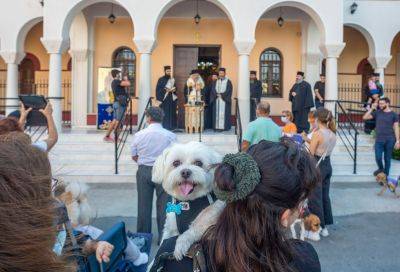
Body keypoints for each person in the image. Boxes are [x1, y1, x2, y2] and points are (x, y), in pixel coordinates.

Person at [152, 140, 321, 272]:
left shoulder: (170, 255)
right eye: (302, 203)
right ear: (285, 216)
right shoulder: (305, 259)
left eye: (197, 163)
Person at [0, 132, 113, 271]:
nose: (53, 197)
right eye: (46, 187)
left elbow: (69, 240)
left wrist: (93, 245)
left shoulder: (48, 218)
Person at [130, 107, 176, 244]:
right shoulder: (170, 135)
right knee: (164, 205)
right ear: (162, 118)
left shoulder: (139, 135)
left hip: (144, 170)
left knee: (143, 204)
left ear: (148, 118)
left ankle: (143, 237)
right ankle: (164, 237)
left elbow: (134, 155)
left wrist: (143, 162)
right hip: (163, 170)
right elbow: (175, 156)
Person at [308, 108, 337, 239]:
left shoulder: (317, 134)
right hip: (327, 165)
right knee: (325, 196)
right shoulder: (332, 133)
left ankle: (318, 227)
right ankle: (325, 226)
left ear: (317, 119)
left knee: (315, 198)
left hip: (317, 166)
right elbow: (323, 149)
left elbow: (311, 154)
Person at [363, 97, 400, 176]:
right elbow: (365, 117)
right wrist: (371, 109)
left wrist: (397, 140)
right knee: (378, 157)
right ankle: (380, 168)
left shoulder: (394, 115)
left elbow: (396, 128)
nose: (380, 105)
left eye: (382, 103)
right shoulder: (377, 112)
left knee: (387, 159)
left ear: (387, 104)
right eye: (379, 103)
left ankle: (385, 176)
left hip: (390, 139)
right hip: (379, 140)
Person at [104, 69, 131, 142]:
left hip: (116, 103)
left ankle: (107, 136)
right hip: (120, 104)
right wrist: (125, 78)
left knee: (115, 120)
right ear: (116, 75)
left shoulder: (114, 82)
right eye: (119, 74)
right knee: (119, 121)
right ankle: (116, 138)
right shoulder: (116, 81)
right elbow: (128, 83)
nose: (120, 75)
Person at [156, 66, 178, 130]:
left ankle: (172, 126)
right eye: (167, 71)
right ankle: (164, 126)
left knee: (172, 113)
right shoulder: (161, 79)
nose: (169, 72)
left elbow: (175, 88)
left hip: (171, 99)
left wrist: (174, 90)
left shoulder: (172, 79)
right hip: (164, 100)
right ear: (165, 71)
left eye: (169, 71)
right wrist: (165, 90)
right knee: (164, 113)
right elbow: (158, 89)